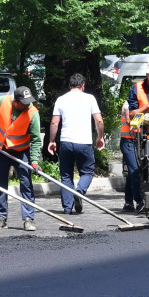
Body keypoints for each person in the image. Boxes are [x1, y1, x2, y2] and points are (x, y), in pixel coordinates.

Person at [0, 86, 42, 231]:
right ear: (16, 101)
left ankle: (28, 219)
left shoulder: (33, 113)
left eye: (30, 101)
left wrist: (34, 161)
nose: (28, 105)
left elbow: (36, 139)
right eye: (25, 102)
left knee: (26, 185)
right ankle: (0, 218)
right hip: (0, 149)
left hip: (22, 151)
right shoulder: (1, 102)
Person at [48, 74, 104, 215]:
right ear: (83, 85)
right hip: (84, 142)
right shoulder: (89, 98)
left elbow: (55, 122)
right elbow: (99, 121)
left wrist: (52, 141)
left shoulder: (61, 99)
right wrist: (100, 137)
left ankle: (67, 207)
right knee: (87, 171)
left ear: (70, 85)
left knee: (66, 175)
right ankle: (79, 191)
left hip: (66, 142)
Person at [119, 100, 142, 212]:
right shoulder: (128, 104)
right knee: (134, 170)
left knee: (131, 172)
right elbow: (129, 121)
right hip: (128, 142)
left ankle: (128, 202)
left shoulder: (140, 104)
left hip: (136, 141)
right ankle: (139, 201)